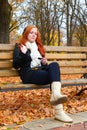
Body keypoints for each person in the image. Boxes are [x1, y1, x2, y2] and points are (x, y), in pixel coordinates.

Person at [13, 25, 73, 123]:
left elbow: (42, 66)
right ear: (26, 33)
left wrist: (44, 63)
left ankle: (56, 95)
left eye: (35, 33)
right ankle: (59, 112)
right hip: (29, 74)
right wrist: (24, 54)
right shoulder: (20, 46)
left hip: (39, 71)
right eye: (31, 32)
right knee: (53, 76)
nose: (33, 35)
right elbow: (16, 65)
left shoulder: (38, 47)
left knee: (54, 65)